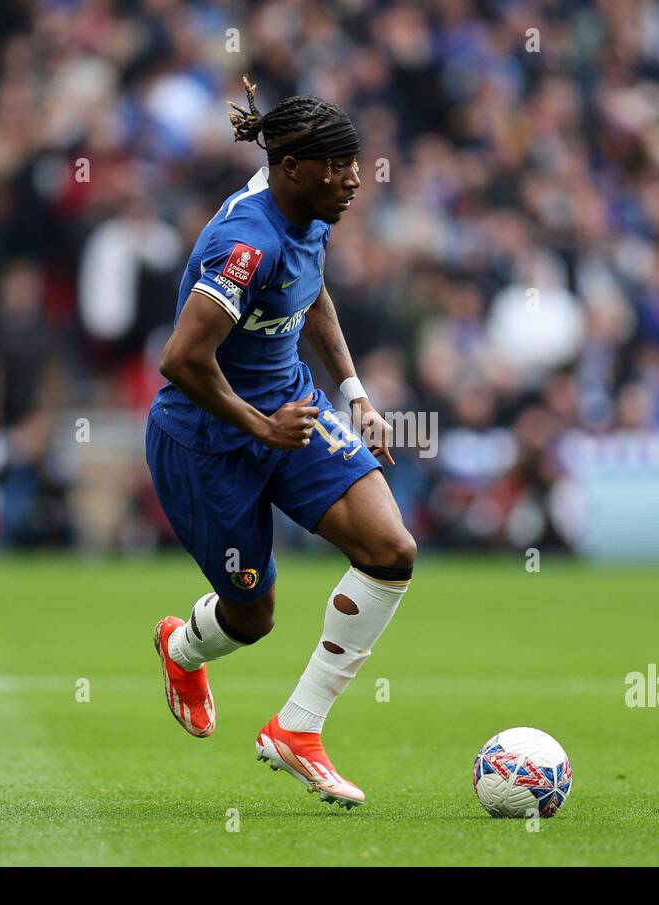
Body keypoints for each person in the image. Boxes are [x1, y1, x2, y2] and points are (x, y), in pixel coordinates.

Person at [145, 77, 416, 808]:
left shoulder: (311, 210)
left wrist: (352, 390)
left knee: (392, 551)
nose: (355, 180)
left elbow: (312, 288)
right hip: (207, 442)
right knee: (251, 618)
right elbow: (181, 360)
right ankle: (181, 647)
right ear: (293, 168)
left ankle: (298, 729)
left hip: (292, 409)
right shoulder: (242, 244)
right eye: (340, 167)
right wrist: (260, 426)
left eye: (356, 164)